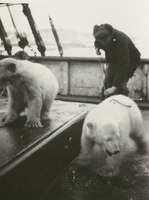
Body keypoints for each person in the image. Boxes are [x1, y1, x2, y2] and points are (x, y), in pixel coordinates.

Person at [93, 24, 141, 99]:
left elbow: (123, 65)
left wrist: (114, 87)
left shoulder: (122, 41)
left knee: (119, 86)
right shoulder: (99, 32)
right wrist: (97, 48)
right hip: (114, 58)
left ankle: (122, 101)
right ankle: (109, 102)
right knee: (107, 81)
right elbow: (97, 41)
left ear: (110, 36)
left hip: (130, 60)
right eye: (102, 42)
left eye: (105, 41)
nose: (104, 44)